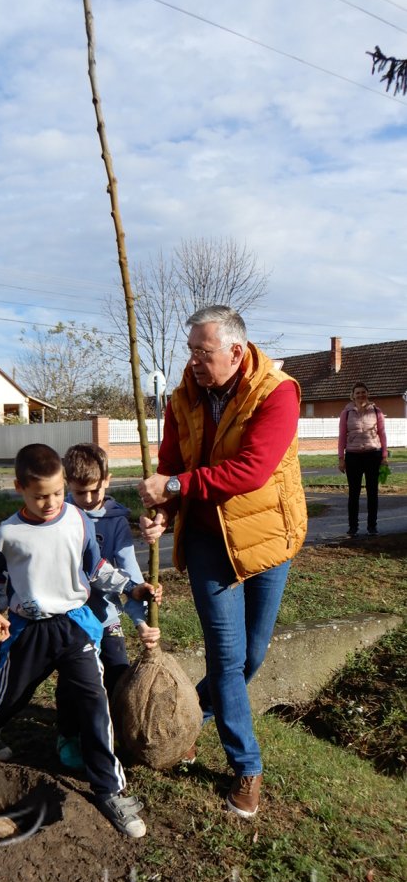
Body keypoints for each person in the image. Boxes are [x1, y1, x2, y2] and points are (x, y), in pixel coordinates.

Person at [138, 305, 307, 819]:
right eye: (189, 350)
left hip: (267, 538)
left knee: (251, 656)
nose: (193, 361)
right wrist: (162, 510)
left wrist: (174, 487)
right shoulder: (182, 398)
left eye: (202, 352)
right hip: (211, 541)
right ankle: (247, 769)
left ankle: (190, 718)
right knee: (227, 659)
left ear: (236, 351)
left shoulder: (278, 392)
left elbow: (251, 470)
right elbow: (171, 462)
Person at [0, 442, 158, 838]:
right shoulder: (8, 534)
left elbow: (96, 567)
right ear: (19, 487)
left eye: (57, 492)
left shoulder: (77, 519)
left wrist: (132, 588)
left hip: (74, 626)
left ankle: (110, 788)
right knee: (11, 696)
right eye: (41, 496)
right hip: (29, 629)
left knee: (94, 701)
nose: (52, 502)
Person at [55, 443, 161, 770]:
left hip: (107, 618)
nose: (86, 499)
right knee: (72, 681)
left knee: (116, 673)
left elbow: (129, 574)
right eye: (78, 492)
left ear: (108, 481)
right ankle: (69, 734)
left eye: (93, 490)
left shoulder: (116, 521)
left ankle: (112, 734)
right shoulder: (62, 517)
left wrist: (143, 623)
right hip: (71, 618)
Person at [338, 382, 388, 537]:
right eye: (357, 393)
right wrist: (341, 458)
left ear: (368, 393)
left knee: (372, 492)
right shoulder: (346, 413)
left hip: (373, 455)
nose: (361, 395)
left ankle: (372, 527)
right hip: (353, 456)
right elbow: (341, 436)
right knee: (354, 493)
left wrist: (384, 456)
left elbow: (382, 434)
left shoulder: (376, 411)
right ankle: (353, 527)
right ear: (353, 395)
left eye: (363, 392)